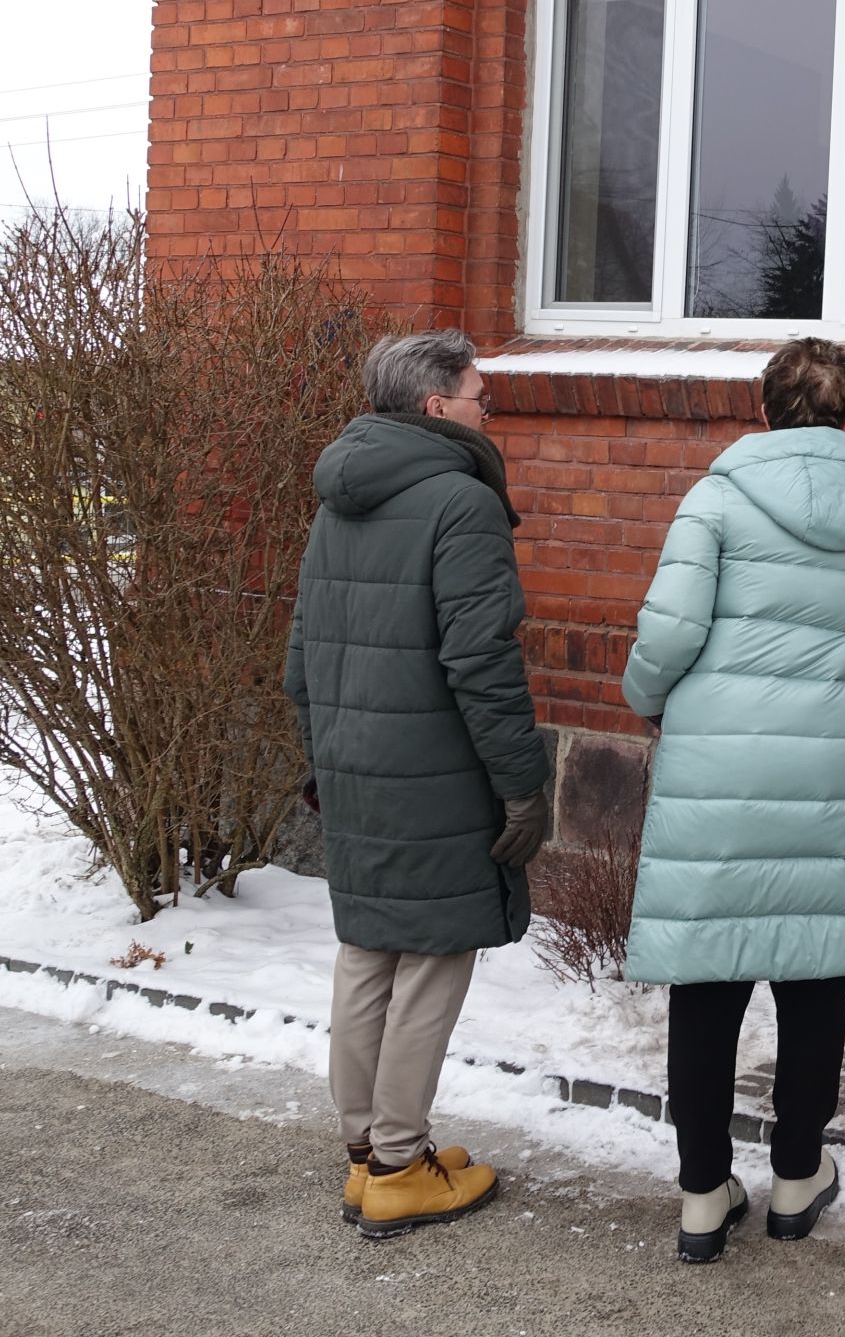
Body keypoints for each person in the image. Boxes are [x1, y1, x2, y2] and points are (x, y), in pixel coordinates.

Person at [619, 338, 845, 1263]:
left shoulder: (717, 497)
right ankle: (797, 1177)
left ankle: (703, 1196)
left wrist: (646, 698)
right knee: (813, 978)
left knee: (707, 984)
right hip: (826, 777)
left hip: (719, 771)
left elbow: (671, 630)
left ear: (763, 408)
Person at [285, 329, 552, 1238]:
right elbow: (482, 662)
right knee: (433, 959)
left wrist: (322, 757)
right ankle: (401, 1166)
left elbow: (301, 653)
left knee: (368, 953)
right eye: (482, 396)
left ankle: (366, 1154)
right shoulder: (459, 502)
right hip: (437, 771)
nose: (490, 412)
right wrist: (523, 785)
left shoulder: (340, 498)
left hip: (355, 761)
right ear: (437, 407)